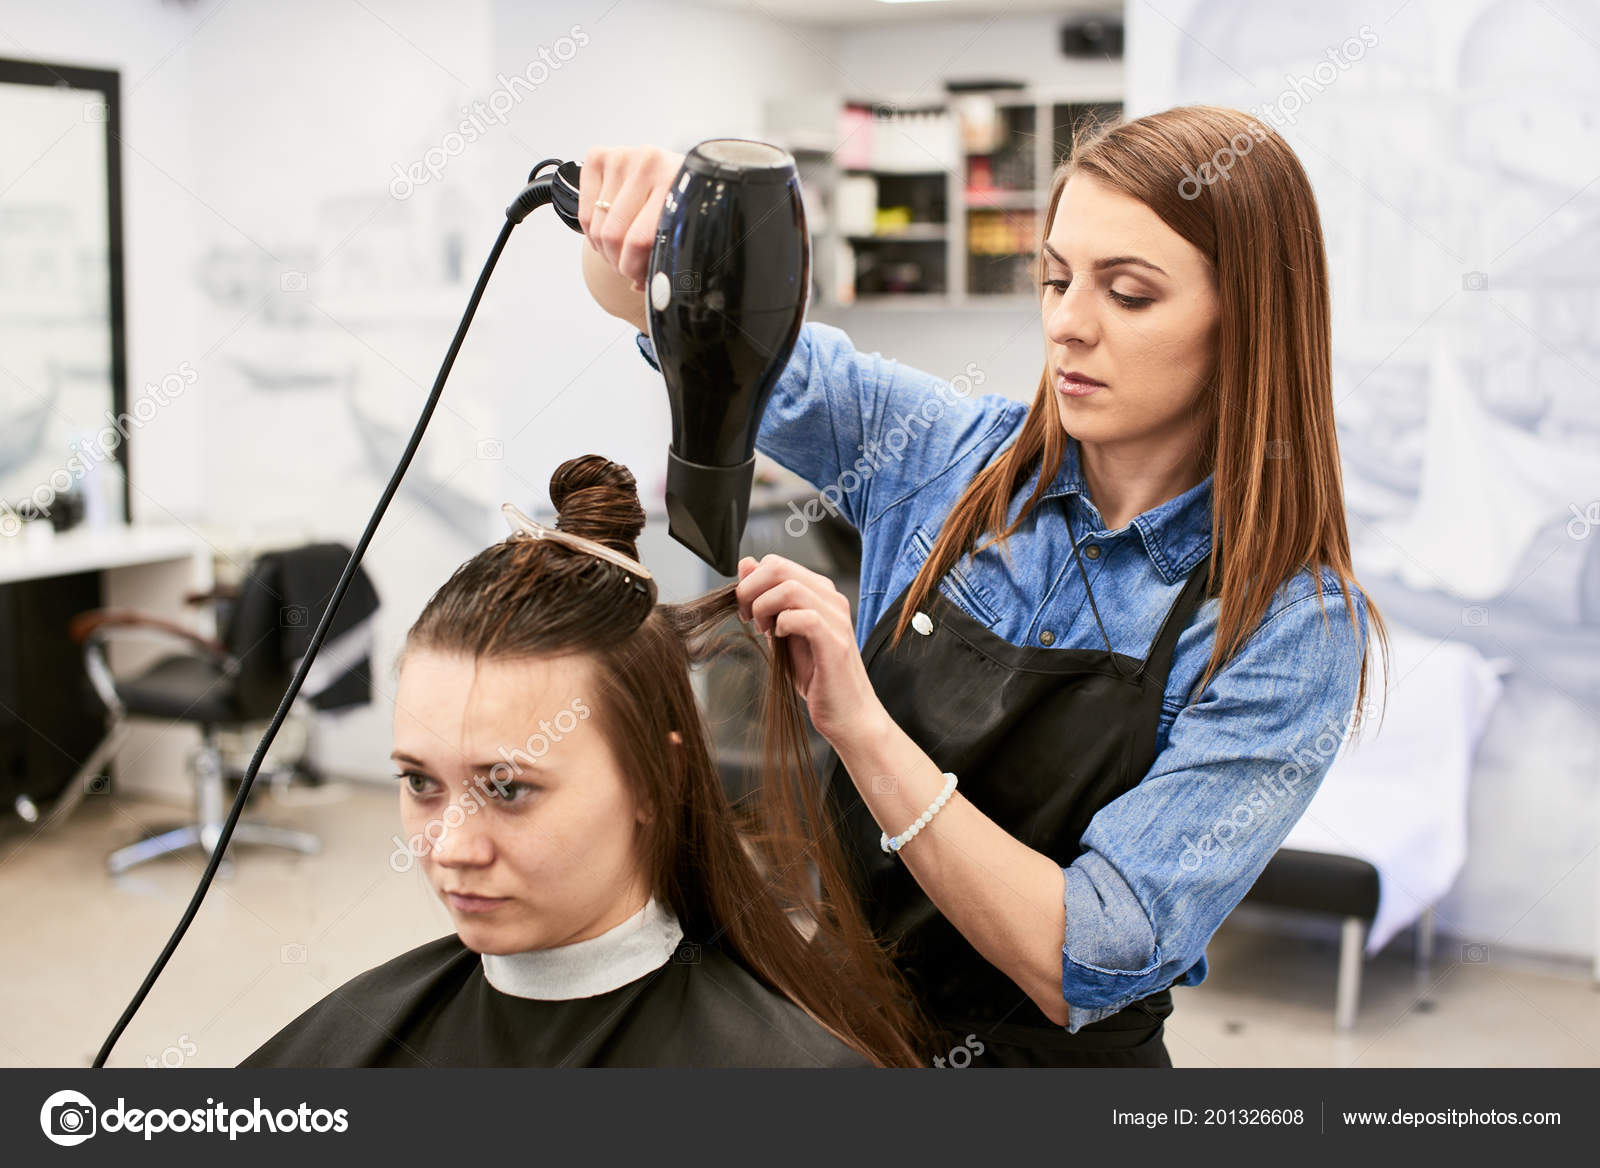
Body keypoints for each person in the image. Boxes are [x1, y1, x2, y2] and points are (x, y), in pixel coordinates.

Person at [579, 106, 1391, 1067]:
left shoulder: (1289, 626)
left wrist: (863, 728)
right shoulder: (943, 457)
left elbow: (1088, 953)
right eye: (1055, 279)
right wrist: (644, 228)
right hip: (833, 1040)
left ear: (1249, 319)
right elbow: (683, 320)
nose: (1067, 324)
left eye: (1128, 294)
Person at [240, 455, 932, 1068]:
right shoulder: (352, 1041)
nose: (450, 847)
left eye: (507, 788)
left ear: (654, 780)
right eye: (421, 781)